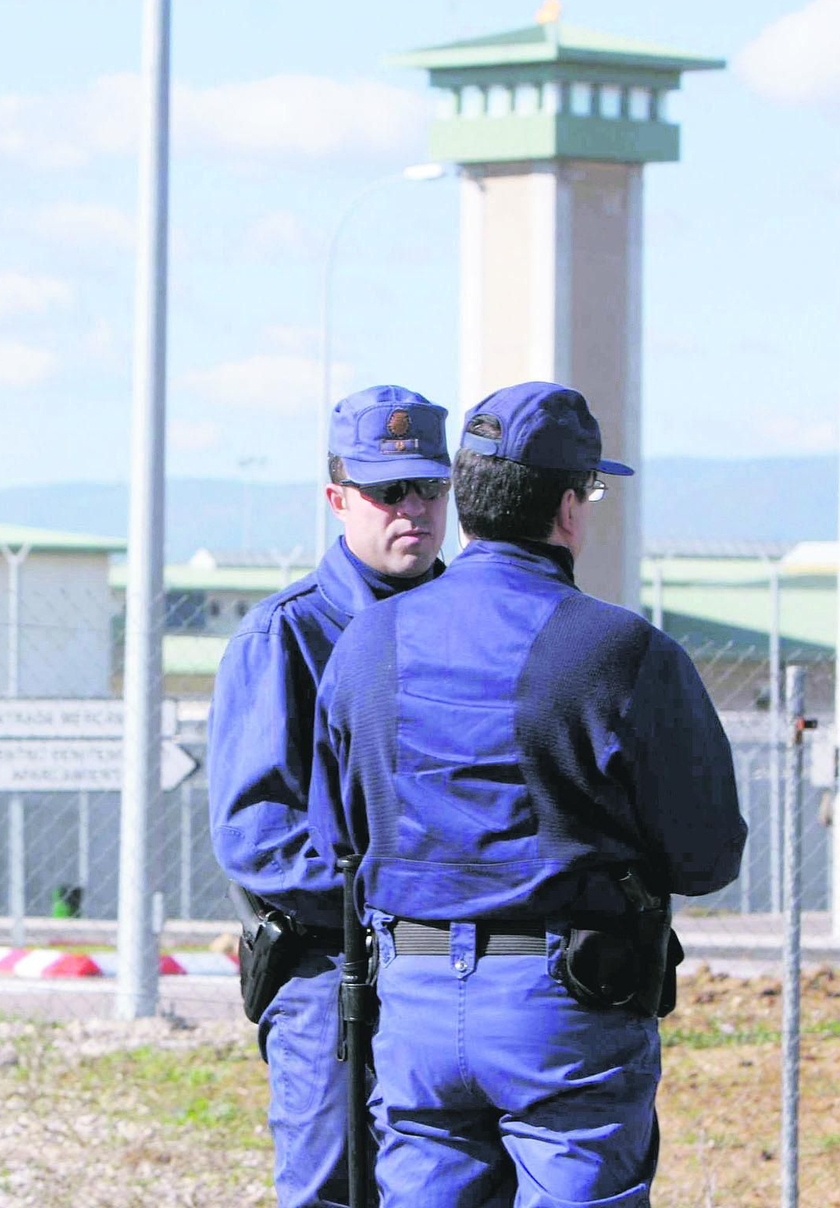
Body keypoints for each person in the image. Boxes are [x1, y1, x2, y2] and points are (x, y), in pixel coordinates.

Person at [306, 380, 746, 1206]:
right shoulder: (623, 652)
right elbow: (707, 853)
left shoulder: (366, 643)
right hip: (566, 1007)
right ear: (569, 509)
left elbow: (340, 840)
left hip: (414, 1002)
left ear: (463, 500)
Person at [207, 383, 453, 1208]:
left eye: (429, 487)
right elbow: (259, 836)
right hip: (330, 969)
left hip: (453, 969)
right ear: (337, 497)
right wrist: (399, 895)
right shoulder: (288, 635)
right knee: (328, 1190)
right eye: (388, 491)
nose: (411, 510)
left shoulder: (472, 625)